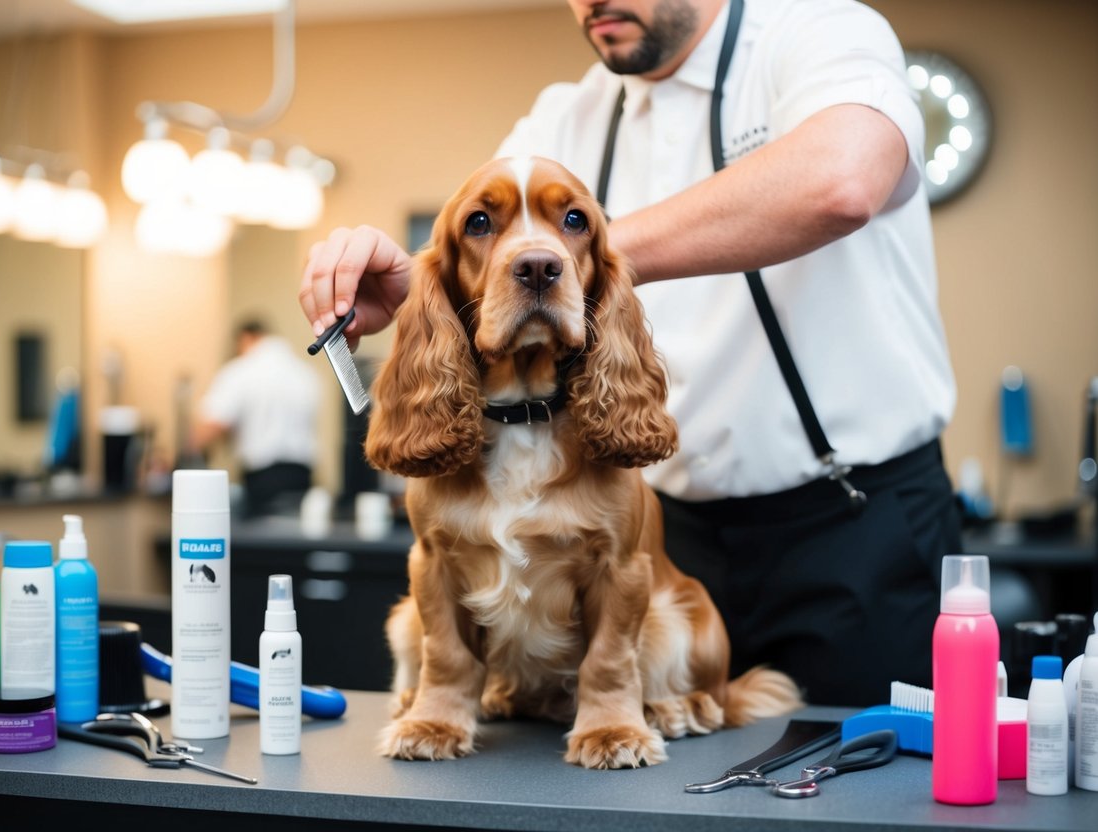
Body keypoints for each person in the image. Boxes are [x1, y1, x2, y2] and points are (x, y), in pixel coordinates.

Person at [298, 0, 960, 707]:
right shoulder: (566, 116)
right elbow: (486, 262)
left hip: (851, 525)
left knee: (867, 797)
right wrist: (406, 284)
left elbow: (842, 179)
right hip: (660, 531)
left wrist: (587, 256)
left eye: (571, 223)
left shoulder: (817, 31)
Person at [192, 319, 322, 517]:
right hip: (303, 477)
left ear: (246, 338)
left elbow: (213, 424)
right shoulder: (305, 374)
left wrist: (185, 454)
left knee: (260, 542)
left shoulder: (241, 370)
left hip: (263, 481)